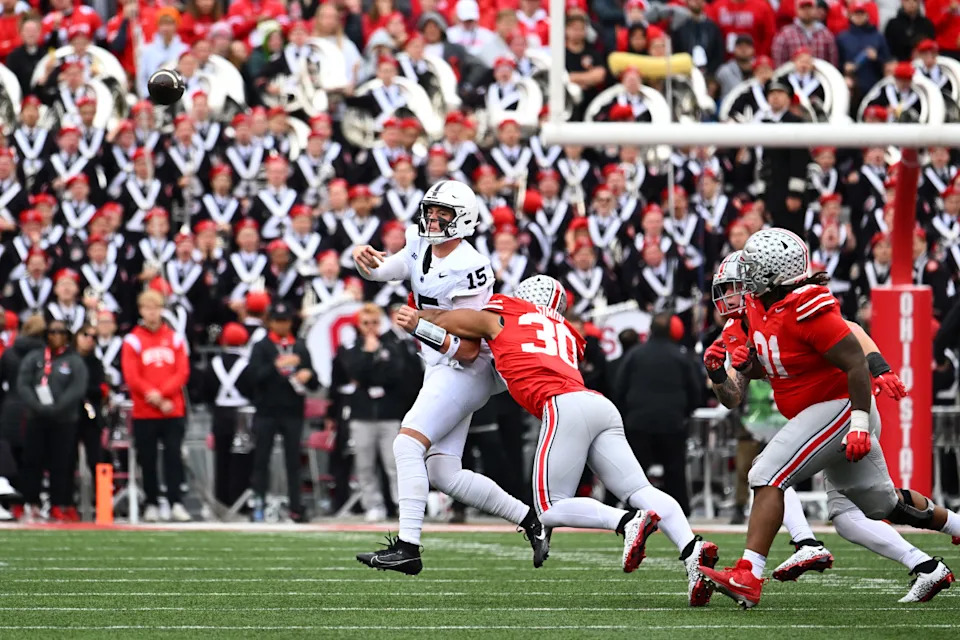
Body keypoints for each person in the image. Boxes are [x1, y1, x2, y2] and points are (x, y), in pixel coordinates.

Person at [395, 275, 719, 607]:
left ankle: (626, 521)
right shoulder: (568, 332)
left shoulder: (506, 312)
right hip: (598, 405)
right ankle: (692, 549)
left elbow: (455, 322)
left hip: (562, 406)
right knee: (641, 490)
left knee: (550, 508)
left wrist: (420, 317)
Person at [699, 229, 960, 608]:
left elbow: (853, 351)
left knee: (766, 472)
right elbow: (749, 383)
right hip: (822, 413)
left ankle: (749, 573)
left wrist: (861, 415)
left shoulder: (806, 304)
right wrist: (725, 371)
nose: (745, 277)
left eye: (754, 268)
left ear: (774, 273)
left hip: (841, 406)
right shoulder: (754, 311)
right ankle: (946, 540)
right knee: (872, 508)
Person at [354, 179, 547, 575]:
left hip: (466, 369)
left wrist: (419, 328)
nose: (435, 219)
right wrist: (368, 263)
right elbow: (391, 270)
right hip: (440, 365)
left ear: (463, 220)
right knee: (444, 472)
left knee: (406, 444)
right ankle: (531, 519)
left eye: (445, 213)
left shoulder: (471, 266)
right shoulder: (418, 241)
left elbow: (470, 346)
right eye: (432, 210)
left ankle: (408, 546)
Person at [614, 312, 701, 516]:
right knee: (675, 472)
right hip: (672, 423)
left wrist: (629, 415)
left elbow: (619, 389)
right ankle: (679, 513)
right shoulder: (682, 356)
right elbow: (695, 392)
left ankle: (633, 512)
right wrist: (683, 413)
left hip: (638, 422)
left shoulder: (635, 354)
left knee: (636, 473)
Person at [121, 290, 191, 523]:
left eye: (156, 307)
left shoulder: (175, 338)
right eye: (147, 308)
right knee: (147, 459)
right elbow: (132, 376)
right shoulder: (133, 340)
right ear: (141, 311)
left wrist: (162, 395)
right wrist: (153, 396)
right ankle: (151, 502)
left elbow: (182, 371)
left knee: (173, 456)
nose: (152, 313)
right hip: (145, 410)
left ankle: (175, 502)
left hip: (172, 408)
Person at [333, 303, 407, 522]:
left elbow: (395, 374)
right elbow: (354, 371)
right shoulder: (352, 346)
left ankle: (401, 504)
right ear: (359, 325)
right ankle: (372, 504)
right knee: (364, 465)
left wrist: (374, 368)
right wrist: (369, 354)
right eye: (366, 323)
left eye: (375, 322)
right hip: (362, 414)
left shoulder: (392, 344)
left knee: (393, 464)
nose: (371, 327)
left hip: (388, 413)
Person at [247, 301, 319, 523]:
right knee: (261, 459)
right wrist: (276, 366)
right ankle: (258, 504)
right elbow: (253, 378)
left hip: (292, 412)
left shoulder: (299, 346)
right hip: (267, 411)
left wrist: (308, 375)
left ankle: (296, 506)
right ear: (271, 322)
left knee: (293, 461)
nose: (281, 325)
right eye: (277, 321)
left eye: (285, 321)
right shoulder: (262, 346)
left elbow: (314, 381)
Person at [17, 318, 88, 522]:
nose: (56, 336)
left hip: (64, 420)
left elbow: (77, 388)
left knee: (62, 463)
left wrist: (57, 407)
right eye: (52, 332)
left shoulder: (74, 360)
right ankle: (31, 502)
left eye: (61, 332)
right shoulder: (34, 357)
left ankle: (60, 503)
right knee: (32, 461)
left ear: (67, 336)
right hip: (36, 417)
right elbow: (23, 384)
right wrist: (38, 406)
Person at [202, 322, 253, 509]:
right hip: (243, 416)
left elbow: (206, 392)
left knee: (221, 460)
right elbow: (253, 390)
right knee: (242, 460)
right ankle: (241, 502)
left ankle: (221, 502)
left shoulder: (213, 364)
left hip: (220, 415)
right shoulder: (247, 365)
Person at [72, 322, 104, 513]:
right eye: (85, 334)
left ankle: (102, 502)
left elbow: (99, 389)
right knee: (67, 459)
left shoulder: (95, 362)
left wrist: (80, 390)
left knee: (96, 459)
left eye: (94, 337)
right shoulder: (68, 359)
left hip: (91, 416)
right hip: (70, 415)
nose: (89, 339)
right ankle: (66, 503)